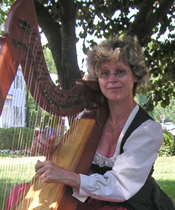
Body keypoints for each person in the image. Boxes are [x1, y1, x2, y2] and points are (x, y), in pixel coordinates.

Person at [6, 35, 175, 210]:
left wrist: (66, 176)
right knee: (19, 194)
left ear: (135, 76)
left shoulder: (147, 130)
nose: (112, 79)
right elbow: (71, 160)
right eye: (105, 73)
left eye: (120, 71)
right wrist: (49, 149)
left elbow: (118, 187)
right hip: (89, 196)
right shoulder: (89, 119)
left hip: (126, 203)